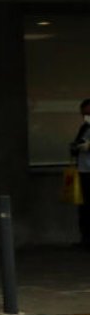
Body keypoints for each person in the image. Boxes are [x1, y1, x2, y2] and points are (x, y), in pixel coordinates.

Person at [71, 98, 90, 249]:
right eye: (84, 114)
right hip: (83, 170)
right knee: (84, 207)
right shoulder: (84, 128)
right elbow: (75, 146)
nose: (86, 116)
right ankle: (86, 238)